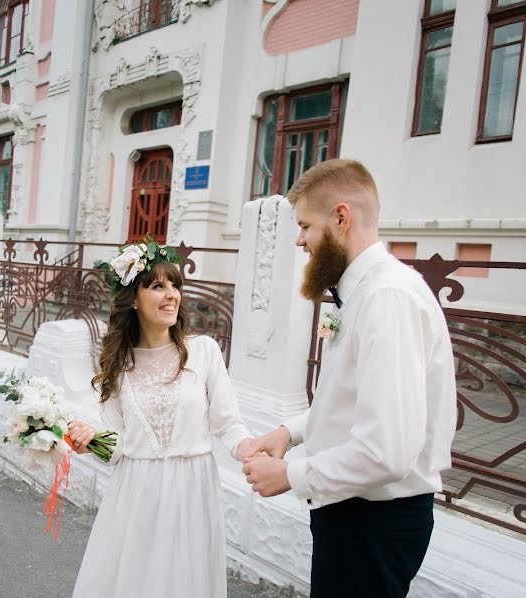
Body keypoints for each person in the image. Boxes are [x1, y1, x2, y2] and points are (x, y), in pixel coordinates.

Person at [242, 159, 457, 597]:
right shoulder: (361, 293)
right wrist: (290, 432)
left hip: (374, 521)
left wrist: (290, 475)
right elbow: (351, 399)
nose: (299, 240)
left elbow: (386, 452)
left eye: (305, 226)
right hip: (351, 508)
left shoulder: (388, 298)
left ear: (341, 217)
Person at [69, 240, 254, 598]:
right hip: (136, 493)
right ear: (133, 299)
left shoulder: (203, 351)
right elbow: (119, 445)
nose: (172, 295)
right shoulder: (118, 367)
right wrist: (91, 442)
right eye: (157, 286)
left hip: (192, 490)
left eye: (175, 285)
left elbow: (228, 424)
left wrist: (251, 450)